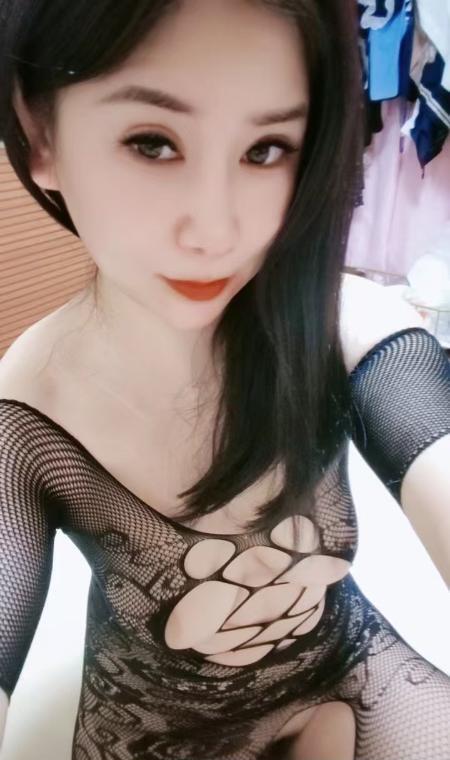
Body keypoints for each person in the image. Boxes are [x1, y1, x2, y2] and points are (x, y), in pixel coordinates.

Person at [0, 0, 449, 758]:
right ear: (39, 133)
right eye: (152, 142)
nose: (216, 230)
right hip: (156, 720)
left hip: (345, 663)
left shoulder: (344, 328)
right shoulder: (27, 411)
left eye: (266, 149)